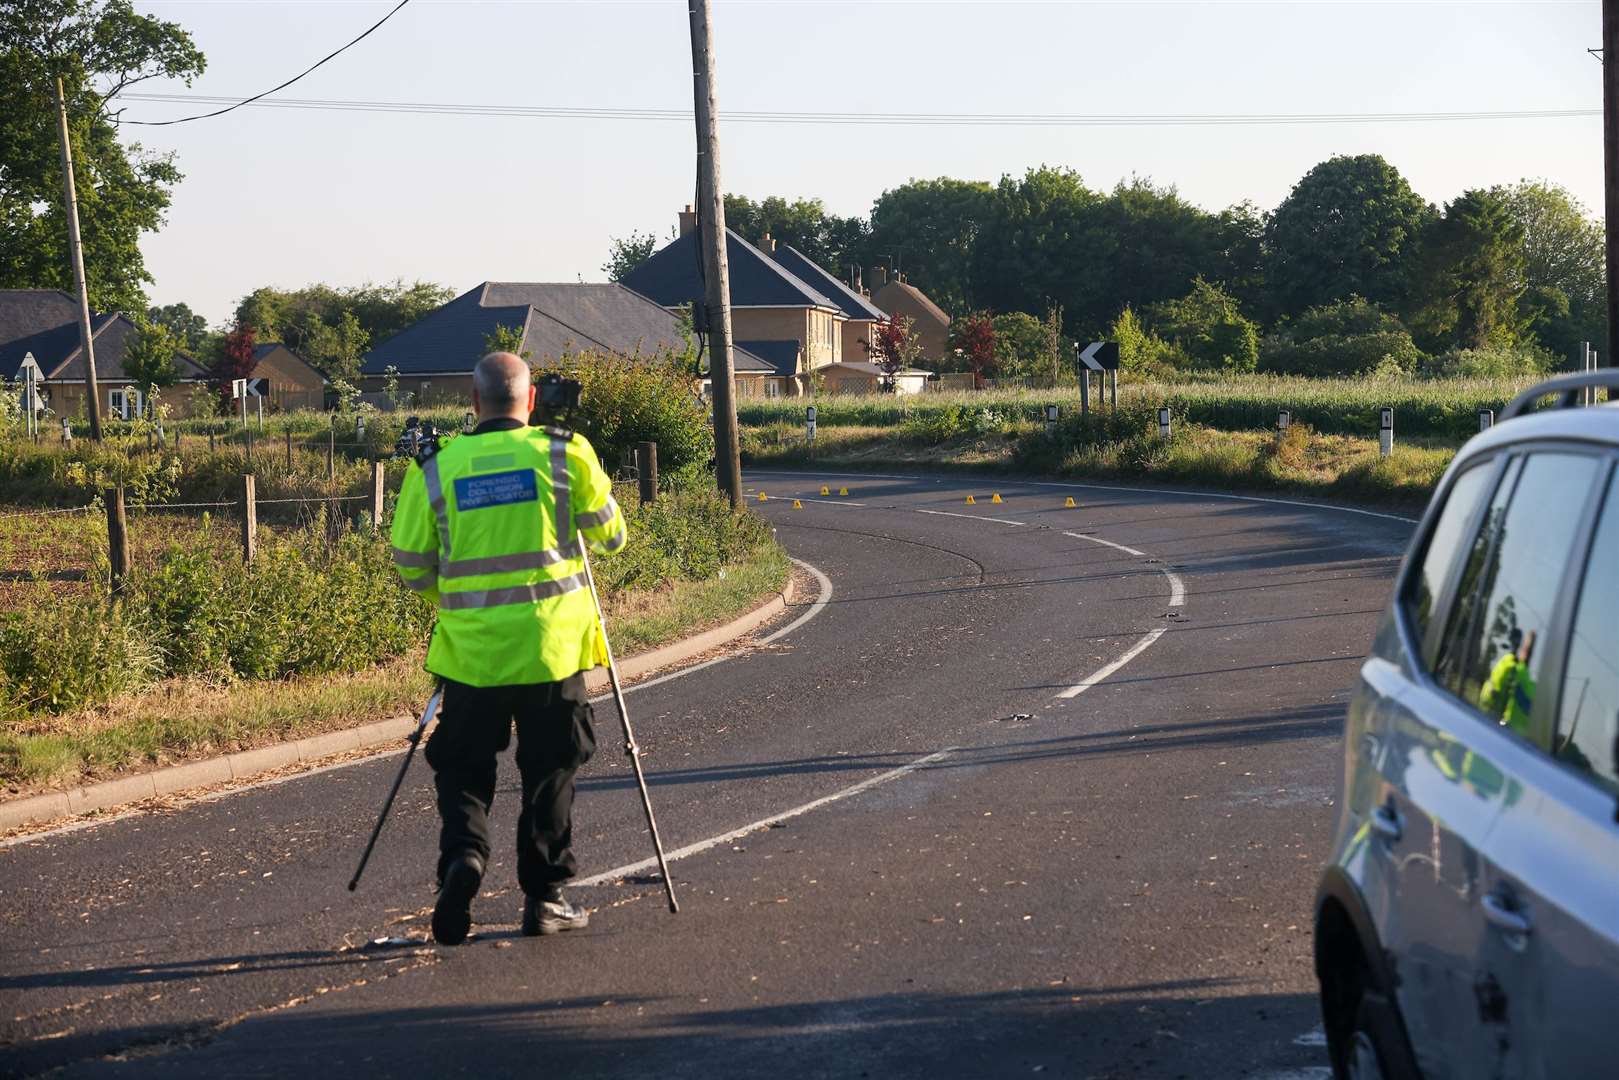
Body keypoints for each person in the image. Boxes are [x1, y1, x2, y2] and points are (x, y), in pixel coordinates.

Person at [390, 352, 627, 946]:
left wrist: (458, 596)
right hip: (553, 649)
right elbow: (613, 536)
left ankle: (463, 859)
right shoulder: (564, 452)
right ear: (528, 401)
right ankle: (544, 899)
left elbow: (412, 566)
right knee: (550, 769)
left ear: (473, 404)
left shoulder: (436, 470)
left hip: (471, 655)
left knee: (464, 767)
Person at [1480, 628, 1537, 736]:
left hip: (1489, 733)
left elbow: (1486, 702)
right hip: (1518, 746)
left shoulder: (1508, 667)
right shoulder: (1542, 697)